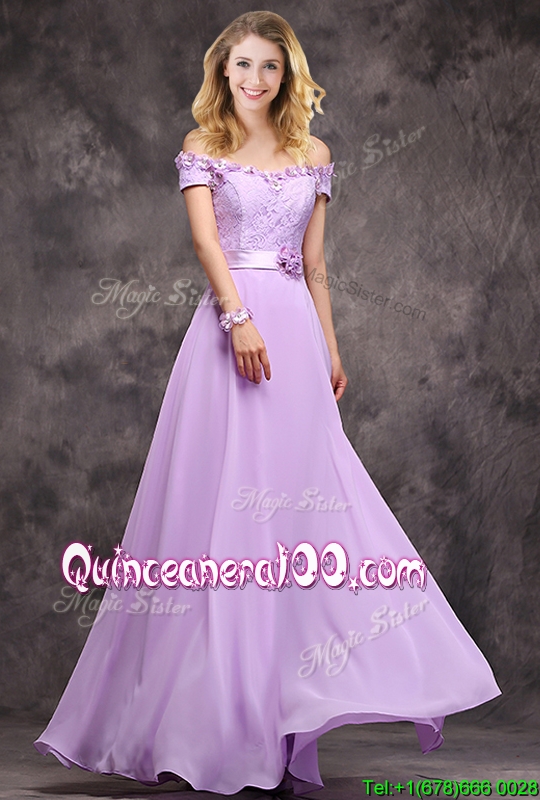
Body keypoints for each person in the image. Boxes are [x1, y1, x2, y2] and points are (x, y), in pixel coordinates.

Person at [34, 11, 501, 797]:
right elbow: (207, 245)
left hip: (294, 337)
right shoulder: (203, 148)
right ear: (222, 71)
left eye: (270, 68)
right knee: (222, 517)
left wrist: (331, 347)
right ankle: (218, 730)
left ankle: (278, 718)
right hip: (230, 337)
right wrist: (238, 319)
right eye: (243, 65)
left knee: (294, 515)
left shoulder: (313, 154)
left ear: (288, 77)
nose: (256, 79)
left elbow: (314, 264)